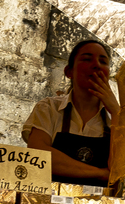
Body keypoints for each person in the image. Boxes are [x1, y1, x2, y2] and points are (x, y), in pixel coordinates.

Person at [23, 39, 119, 184]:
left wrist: (117, 113)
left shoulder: (115, 120)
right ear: (69, 72)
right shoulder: (49, 108)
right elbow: (38, 154)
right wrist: (99, 173)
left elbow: (119, 170)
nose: (96, 65)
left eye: (103, 62)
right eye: (87, 59)